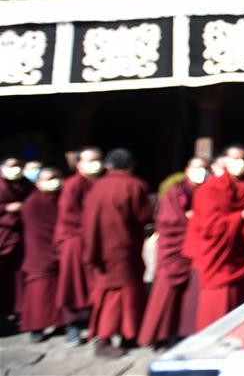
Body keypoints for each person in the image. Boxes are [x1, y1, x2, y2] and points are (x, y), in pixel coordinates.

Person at [183, 144, 244, 330]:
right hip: (219, 258)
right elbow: (208, 226)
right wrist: (241, 216)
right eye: (236, 159)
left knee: (243, 308)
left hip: (243, 254)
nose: (241, 163)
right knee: (216, 311)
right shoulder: (210, 189)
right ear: (226, 161)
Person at [82, 148, 152, 358]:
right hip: (124, 249)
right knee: (122, 296)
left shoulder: (96, 186)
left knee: (106, 294)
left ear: (108, 165)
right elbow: (143, 217)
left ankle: (118, 335)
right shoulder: (135, 185)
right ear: (131, 165)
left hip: (99, 249)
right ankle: (106, 338)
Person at [138, 157, 208, 348]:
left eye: (204, 168)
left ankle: (183, 333)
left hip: (196, 250)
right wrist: (190, 221)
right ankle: (159, 335)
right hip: (174, 249)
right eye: (197, 168)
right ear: (187, 170)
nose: (201, 172)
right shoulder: (176, 192)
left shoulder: (207, 191)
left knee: (190, 294)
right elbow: (167, 221)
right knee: (166, 291)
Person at [55, 146, 104, 347]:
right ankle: (71, 325)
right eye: (89, 160)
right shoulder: (73, 184)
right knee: (72, 283)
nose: (95, 164)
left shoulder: (101, 182)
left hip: (96, 239)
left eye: (98, 159)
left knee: (92, 282)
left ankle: (90, 319)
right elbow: (69, 214)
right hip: (75, 239)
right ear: (79, 164)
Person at [19, 167, 63, 342]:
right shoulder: (32, 203)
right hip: (40, 253)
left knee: (61, 290)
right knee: (39, 292)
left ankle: (63, 323)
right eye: (49, 178)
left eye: (56, 177)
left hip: (61, 250)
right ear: (38, 183)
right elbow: (37, 231)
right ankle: (36, 327)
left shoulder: (63, 199)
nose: (54, 182)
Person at [0, 157, 35, 333]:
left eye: (18, 167)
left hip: (21, 239)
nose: (15, 170)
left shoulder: (26, 185)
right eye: (11, 167)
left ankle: (19, 311)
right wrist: (7, 209)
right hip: (4, 237)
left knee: (19, 279)